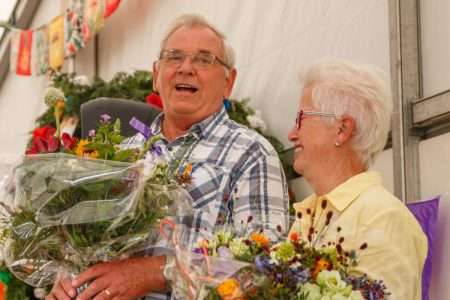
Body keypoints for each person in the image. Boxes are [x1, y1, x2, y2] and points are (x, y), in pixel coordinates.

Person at [46, 14, 289, 300]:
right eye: (174, 57)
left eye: (204, 59)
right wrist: (68, 280)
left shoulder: (251, 153)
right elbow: (84, 244)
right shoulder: (118, 155)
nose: (186, 68)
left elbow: (269, 267)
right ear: (155, 75)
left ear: (228, 82)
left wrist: (159, 272)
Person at [288, 59, 428, 299]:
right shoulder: (310, 212)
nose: (291, 134)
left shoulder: (384, 218)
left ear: (342, 129)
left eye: (301, 118)